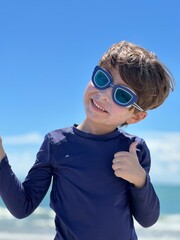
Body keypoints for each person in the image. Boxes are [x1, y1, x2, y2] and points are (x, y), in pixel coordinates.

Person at [0, 41, 174, 240]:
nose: (104, 95)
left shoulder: (134, 149)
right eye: (102, 79)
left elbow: (148, 219)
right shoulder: (56, 143)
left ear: (135, 117)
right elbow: (22, 207)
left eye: (122, 95)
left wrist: (140, 180)